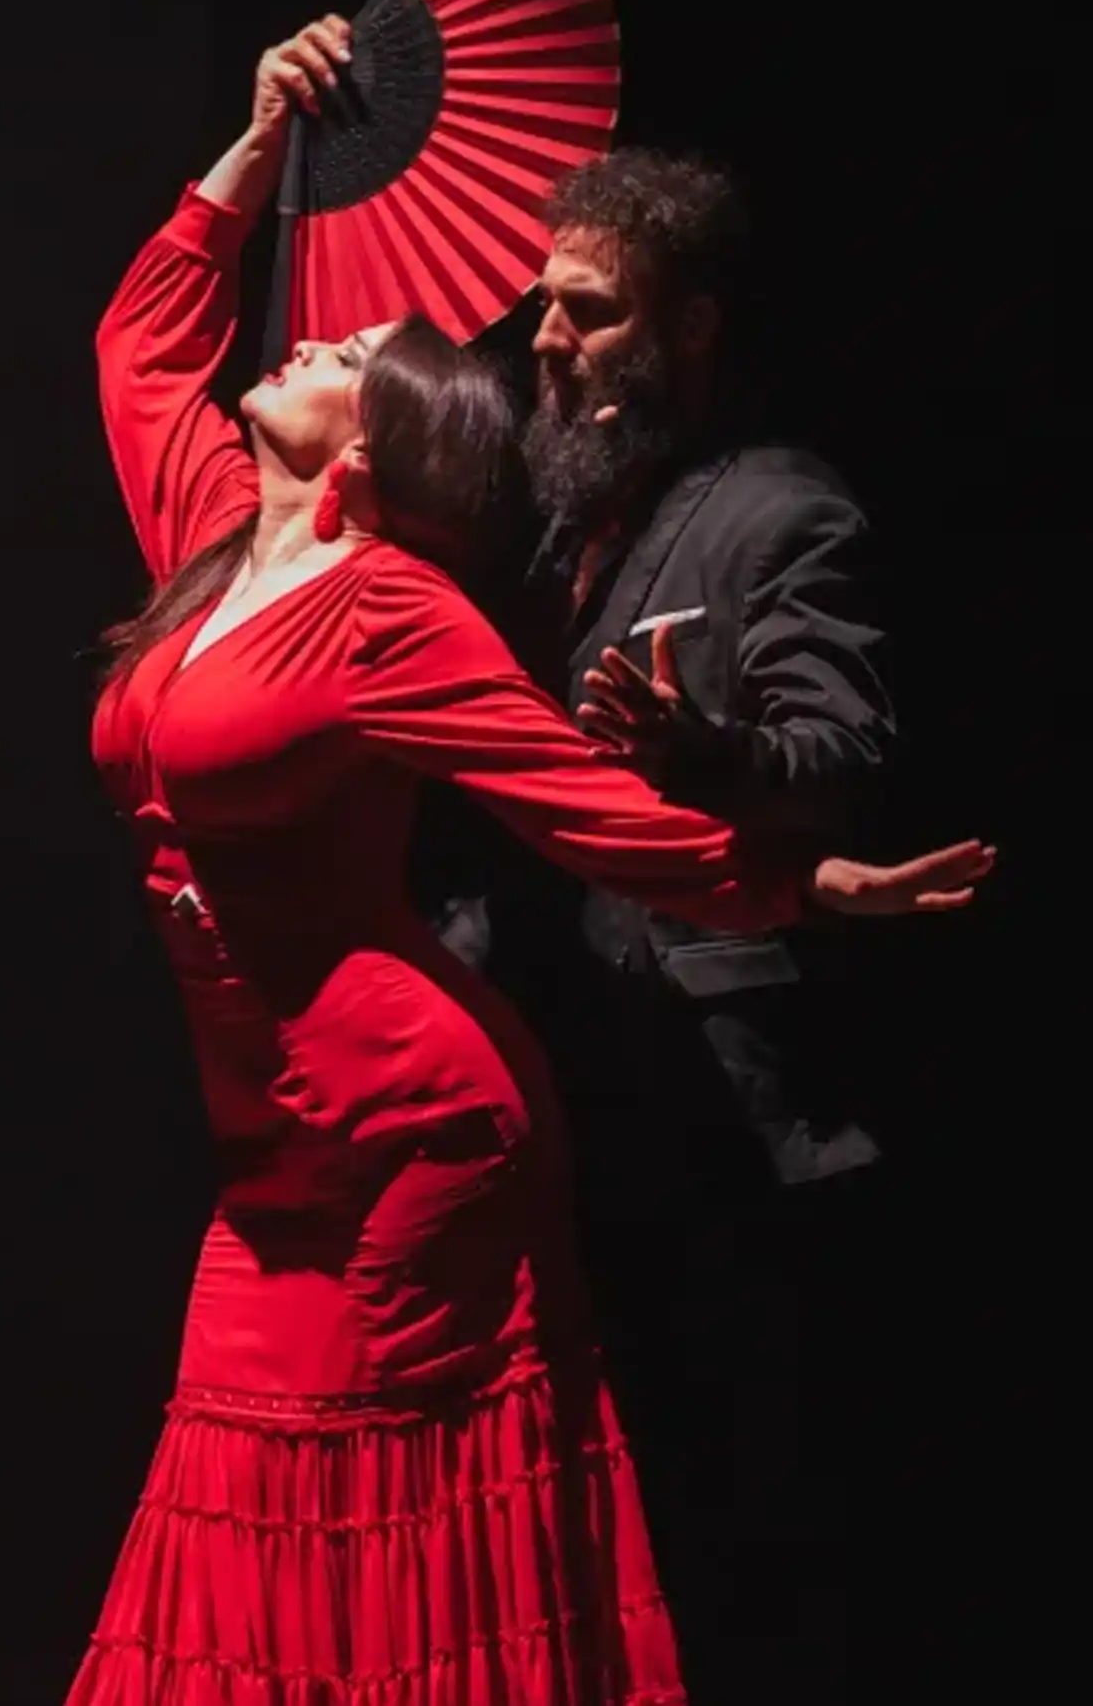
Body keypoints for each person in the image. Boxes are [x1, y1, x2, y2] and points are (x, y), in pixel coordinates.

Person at [63, 14, 994, 1706]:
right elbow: (138, 346)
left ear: (371, 445)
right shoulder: (210, 548)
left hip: (413, 1131)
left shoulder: (386, 613)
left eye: (343, 343)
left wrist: (798, 886)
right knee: (239, 1533)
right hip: (271, 1148)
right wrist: (258, 137)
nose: (303, 332)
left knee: (389, 1557)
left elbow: (586, 803)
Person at [423, 147, 921, 1704]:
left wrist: (699, 760)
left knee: (725, 1530)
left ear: (690, 325)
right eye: (542, 311)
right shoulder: (552, 515)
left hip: (706, 1108)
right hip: (556, 1081)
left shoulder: (777, 510)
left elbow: (835, 760)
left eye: (589, 313)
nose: (547, 344)